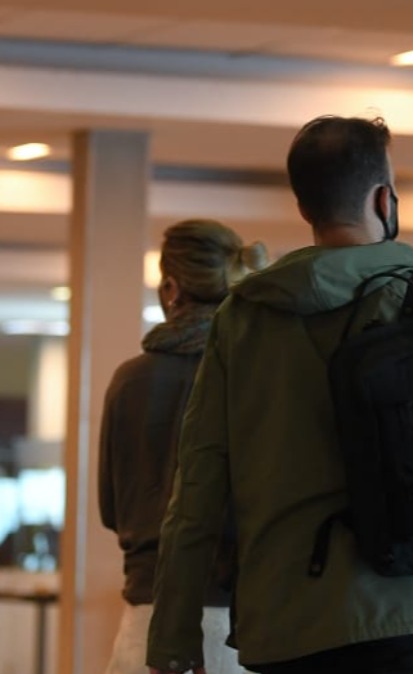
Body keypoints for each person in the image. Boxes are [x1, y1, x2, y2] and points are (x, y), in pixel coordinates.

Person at [145, 115, 413, 674]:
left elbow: (198, 490)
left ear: (305, 205)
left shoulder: (245, 320)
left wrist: (173, 639)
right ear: (385, 200)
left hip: (291, 620)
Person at [99, 219, 267, 674]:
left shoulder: (130, 379)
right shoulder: (257, 375)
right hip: (240, 626)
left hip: (145, 620)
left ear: (171, 289)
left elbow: (111, 510)